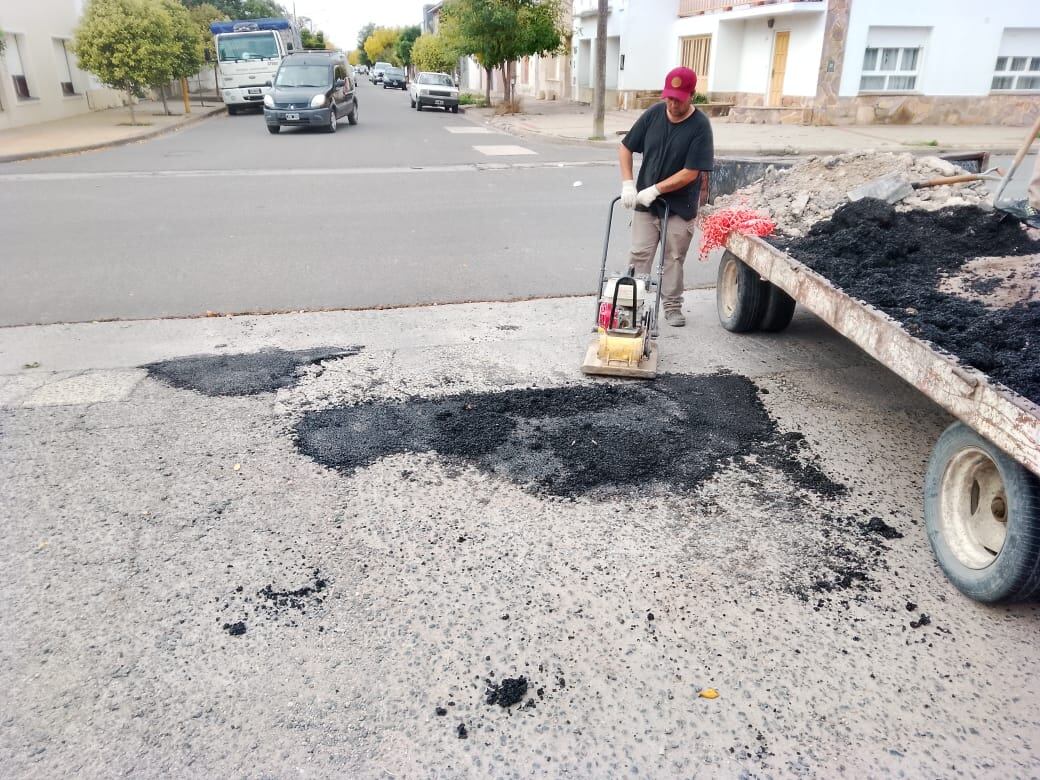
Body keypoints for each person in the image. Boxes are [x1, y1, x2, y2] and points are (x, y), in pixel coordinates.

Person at [619, 66, 714, 327]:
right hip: (646, 205)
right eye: (669, 97)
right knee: (639, 254)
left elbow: (690, 173)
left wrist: (656, 189)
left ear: (691, 95)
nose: (672, 104)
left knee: (673, 258)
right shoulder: (653, 115)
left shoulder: (700, 127)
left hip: (679, 206)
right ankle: (629, 306)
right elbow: (626, 147)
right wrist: (629, 183)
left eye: (678, 99)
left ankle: (672, 306)